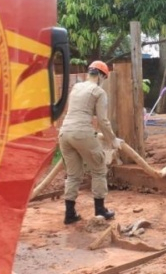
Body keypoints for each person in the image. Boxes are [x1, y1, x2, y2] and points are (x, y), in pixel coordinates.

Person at [58, 60, 122, 224]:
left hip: (65, 133)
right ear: (101, 75)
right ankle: (100, 210)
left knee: (73, 175)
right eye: (105, 78)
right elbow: (102, 120)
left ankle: (69, 214)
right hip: (82, 133)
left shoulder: (77, 87)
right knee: (99, 169)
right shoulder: (98, 91)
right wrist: (113, 140)